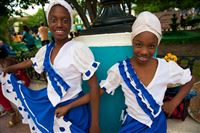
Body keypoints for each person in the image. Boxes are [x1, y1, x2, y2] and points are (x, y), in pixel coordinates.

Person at [56, 11, 195, 133]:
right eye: (139, 44)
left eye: (151, 46)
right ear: (133, 42)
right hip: (132, 125)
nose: (144, 51)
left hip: (156, 124)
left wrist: (174, 102)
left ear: (157, 44)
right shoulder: (120, 70)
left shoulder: (166, 67)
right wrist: (69, 106)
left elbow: (190, 79)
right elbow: (97, 92)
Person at [1, 0, 100, 132]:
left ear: (71, 23)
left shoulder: (78, 49)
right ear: (49, 23)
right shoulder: (46, 50)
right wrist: (10, 68)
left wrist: (95, 124)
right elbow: (29, 62)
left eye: (65, 20)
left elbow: (94, 87)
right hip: (52, 106)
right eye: (54, 20)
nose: (59, 25)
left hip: (75, 109)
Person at [0, 47, 30, 127]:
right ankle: (13, 113)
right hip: (8, 84)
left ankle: (26, 114)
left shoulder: (9, 62)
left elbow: (18, 76)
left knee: (19, 99)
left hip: (19, 83)